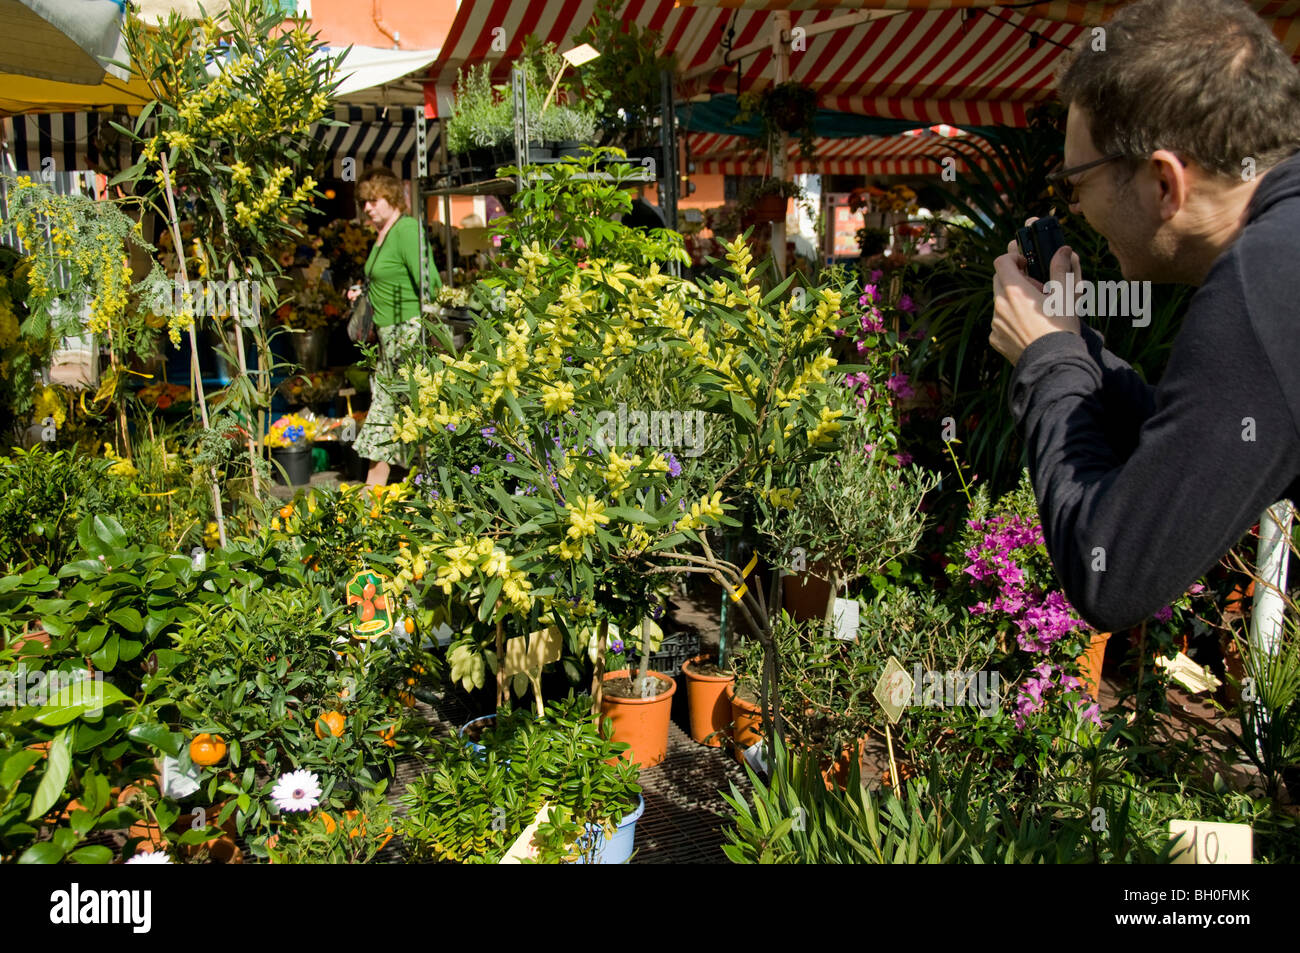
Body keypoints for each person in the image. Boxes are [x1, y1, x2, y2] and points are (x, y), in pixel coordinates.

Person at [989, 0, 1300, 633]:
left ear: (1164, 182)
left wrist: (1047, 362)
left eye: (1075, 182)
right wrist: (1072, 346)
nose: (1072, 209)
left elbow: (1113, 574)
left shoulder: (1260, 283)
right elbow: (1191, 436)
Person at [348, 167, 440, 485]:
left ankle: (374, 493)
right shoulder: (383, 234)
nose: (367, 208)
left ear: (391, 196)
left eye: (373, 200)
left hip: (409, 335)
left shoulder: (405, 230)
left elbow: (430, 284)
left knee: (389, 412)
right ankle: (402, 492)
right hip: (390, 338)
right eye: (364, 202)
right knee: (396, 414)